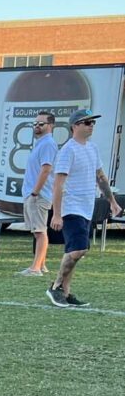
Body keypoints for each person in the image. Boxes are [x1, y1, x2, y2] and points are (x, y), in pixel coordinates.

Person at [47, 108, 121, 308]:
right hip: (72, 208)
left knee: (74, 251)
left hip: (86, 208)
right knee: (79, 249)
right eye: (87, 122)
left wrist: (112, 202)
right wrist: (57, 213)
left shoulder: (92, 148)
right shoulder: (68, 150)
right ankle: (56, 287)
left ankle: (67, 293)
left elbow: (101, 177)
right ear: (75, 126)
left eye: (93, 123)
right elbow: (58, 184)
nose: (91, 126)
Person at [19, 110, 56, 276]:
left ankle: (35, 268)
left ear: (50, 126)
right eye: (35, 124)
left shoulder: (48, 143)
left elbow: (46, 169)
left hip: (38, 194)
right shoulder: (41, 143)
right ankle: (41, 265)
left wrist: (35, 192)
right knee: (38, 231)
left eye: (41, 124)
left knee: (40, 231)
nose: (37, 127)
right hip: (33, 193)